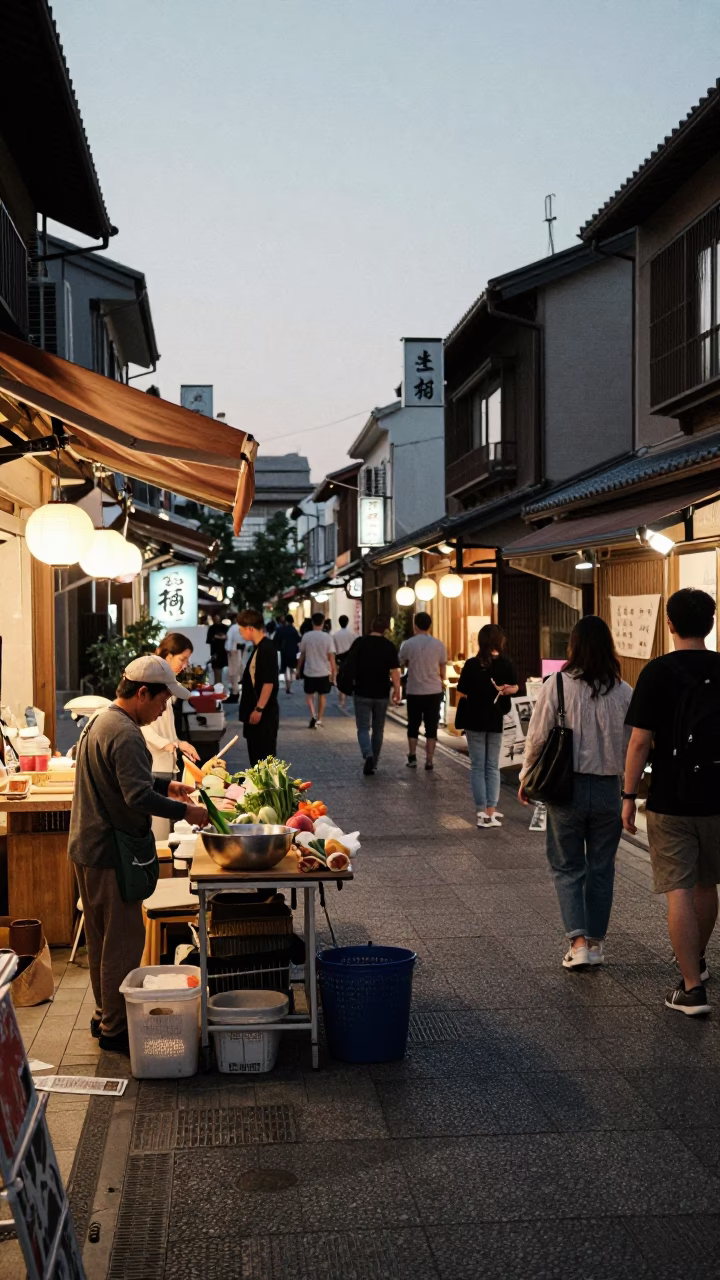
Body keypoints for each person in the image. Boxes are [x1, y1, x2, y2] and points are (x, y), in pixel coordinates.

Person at [68, 657, 208, 1052]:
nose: (164, 709)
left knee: (101, 940)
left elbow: (125, 780)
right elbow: (135, 796)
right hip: (110, 853)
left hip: (86, 847)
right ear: (142, 692)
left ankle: (103, 1016)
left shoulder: (101, 719)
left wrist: (168, 786)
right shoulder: (127, 733)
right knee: (123, 943)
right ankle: (115, 1028)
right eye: (162, 700)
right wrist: (187, 810)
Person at [624, 588, 720, 1016]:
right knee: (707, 882)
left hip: (671, 796)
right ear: (711, 624)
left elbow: (640, 742)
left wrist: (628, 796)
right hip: (718, 795)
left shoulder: (657, 672)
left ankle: (692, 987)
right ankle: (696, 960)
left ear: (670, 624)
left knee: (678, 888)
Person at [519, 616, 632, 971]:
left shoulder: (557, 685)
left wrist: (526, 776)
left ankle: (578, 943)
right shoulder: (625, 691)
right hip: (609, 790)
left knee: (567, 866)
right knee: (602, 868)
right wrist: (630, 792)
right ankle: (595, 943)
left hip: (566, 788)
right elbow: (634, 744)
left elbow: (538, 737)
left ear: (574, 646)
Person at [456, 624, 518, 827]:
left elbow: (462, 690)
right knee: (492, 765)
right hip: (495, 718)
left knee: (477, 766)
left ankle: (481, 811)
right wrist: (505, 689)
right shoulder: (506, 662)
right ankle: (491, 810)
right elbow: (515, 687)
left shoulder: (472, 664)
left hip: (474, 718)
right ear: (499, 640)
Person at [142, 633, 200, 840]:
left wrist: (178, 743)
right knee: (158, 832)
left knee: (166, 829)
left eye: (187, 660)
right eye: (182, 659)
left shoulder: (166, 681)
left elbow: (165, 726)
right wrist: (167, 744)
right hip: (155, 763)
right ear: (167, 655)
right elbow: (142, 726)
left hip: (166, 762)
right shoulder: (151, 680)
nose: (185, 665)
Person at [348, 615, 402, 775]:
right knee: (378, 730)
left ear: (371, 626)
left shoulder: (360, 643)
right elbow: (395, 671)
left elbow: (350, 664)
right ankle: (374, 761)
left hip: (362, 691)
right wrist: (397, 690)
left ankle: (368, 754)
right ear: (385, 629)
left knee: (363, 727)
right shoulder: (389, 646)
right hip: (381, 692)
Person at [399, 612, 447, 770]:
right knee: (431, 726)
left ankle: (412, 756)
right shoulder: (439, 645)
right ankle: (429, 760)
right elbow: (442, 669)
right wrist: (442, 683)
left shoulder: (408, 644)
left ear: (415, 625)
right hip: (434, 690)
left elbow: (402, 663)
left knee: (413, 724)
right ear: (430, 625)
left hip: (414, 690)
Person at [238, 608, 280, 765]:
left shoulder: (266, 648)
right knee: (257, 757)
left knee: (262, 758)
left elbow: (268, 682)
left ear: (250, 628)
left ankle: (266, 789)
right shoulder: (259, 648)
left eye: (241, 630)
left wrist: (259, 709)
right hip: (258, 713)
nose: (241, 633)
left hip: (264, 715)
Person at [297, 612, 336, 728]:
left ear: (312, 622)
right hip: (324, 671)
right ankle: (319, 719)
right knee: (322, 696)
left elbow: (302, 654)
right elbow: (331, 656)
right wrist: (334, 672)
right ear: (323, 623)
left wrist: (298, 669)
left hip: (309, 670)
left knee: (309, 696)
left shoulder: (306, 636)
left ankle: (313, 714)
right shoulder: (327, 637)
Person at [332, 614, 356, 709]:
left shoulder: (335, 635)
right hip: (349, 659)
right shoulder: (352, 635)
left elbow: (333, 649)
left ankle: (341, 700)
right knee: (349, 677)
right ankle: (347, 697)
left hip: (339, 659)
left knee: (340, 679)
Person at [274, 613, 301, 695]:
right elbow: (298, 640)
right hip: (293, 651)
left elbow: (275, 640)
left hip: (284, 651)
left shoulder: (281, 629)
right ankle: (291, 684)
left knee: (285, 670)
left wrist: (278, 648)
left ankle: (287, 685)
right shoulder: (294, 630)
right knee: (293, 669)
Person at [224, 613, 243, 703]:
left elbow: (229, 639)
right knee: (241, 672)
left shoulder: (233, 628)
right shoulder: (245, 627)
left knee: (233, 673)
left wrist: (227, 649)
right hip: (243, 651)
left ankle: (235, 693)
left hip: (233, 651)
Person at [206, 612, 228, 685]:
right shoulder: (211, 628)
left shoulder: (224, 627)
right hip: (215, 651)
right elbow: (210, 640)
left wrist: (217, 637)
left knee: (222, 669)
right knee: (216, 668)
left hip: (223, 651)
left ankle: (220, 684)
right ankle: (217, 684)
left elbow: (227, 637)